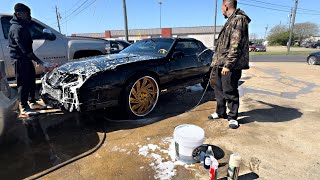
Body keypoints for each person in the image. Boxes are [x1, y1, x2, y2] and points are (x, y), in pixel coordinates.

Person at [208, 0, 251, 129]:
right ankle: (220, 112)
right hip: (220, 63)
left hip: (230, 65)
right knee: (218, 88)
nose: (221, 10)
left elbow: (235, 45)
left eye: (222, 7)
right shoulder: (230, 20)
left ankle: (232, 117)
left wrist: (228, 65)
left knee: (229, 90)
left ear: (225, 6)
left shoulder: (239, 20)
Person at [9, 3, 46, 116]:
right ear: (18, 14)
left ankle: (32, 102)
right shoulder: (17, 28)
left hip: (26, 59)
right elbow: (25, 49)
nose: (29, 16)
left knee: (31, 80)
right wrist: (40, 61)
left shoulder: (23, 26)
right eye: (27, 14)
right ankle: (24, 107)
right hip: (20, 60)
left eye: (29, 13)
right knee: (23, 83)